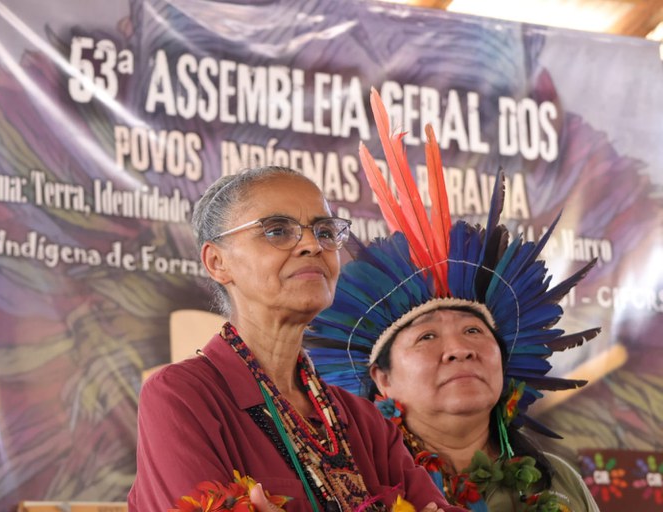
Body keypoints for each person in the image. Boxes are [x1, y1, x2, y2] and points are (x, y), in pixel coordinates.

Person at [306, 91, 601, 511]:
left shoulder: (558, 484)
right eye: (426, 337)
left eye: (473, 330)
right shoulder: (351, 487)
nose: (460, 349)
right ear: (382, 379)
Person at [128, 165, 466, 511]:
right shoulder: (182, 397)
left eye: (324, 231)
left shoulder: (364, 422)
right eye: (277, 231)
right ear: (217, 262)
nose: (312, 245)